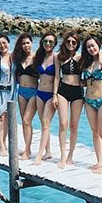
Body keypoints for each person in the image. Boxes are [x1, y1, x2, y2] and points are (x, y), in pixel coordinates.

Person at [80, 35, 102, 174]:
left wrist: (99, 52)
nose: (91, 48)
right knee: (95, 132)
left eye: (93, 45)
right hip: (89, 100)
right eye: (88, 46)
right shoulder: (86, 63)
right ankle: (99, 161)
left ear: (98, 45)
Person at [55, 31, 83, 168]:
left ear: (77, 44)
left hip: (77, 92)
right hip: (63, 91)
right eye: (68, 41)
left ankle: (71, 155)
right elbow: (56, 76)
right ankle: (62, 156)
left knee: (74, 126)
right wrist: (54, 94)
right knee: (63, 123)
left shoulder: (82, 57)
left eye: (74, 42)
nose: (71, 44)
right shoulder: (59, 57)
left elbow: (94, 68)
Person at [32, 31, 58, 165]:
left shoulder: (56, 57)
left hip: (50, 95)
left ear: (55, 44)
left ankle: (39, 155)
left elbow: (57, 77)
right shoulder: (39, 57)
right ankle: (48, 152)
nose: (48, 44)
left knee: (46, 123)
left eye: (51, 42)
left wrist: (55, 95)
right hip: (39, 93)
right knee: (43, 124)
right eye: (45, 41)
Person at [12, 32, 38, 159]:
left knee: (27, 120)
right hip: (21, 91)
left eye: (28, 43)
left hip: (34, 92)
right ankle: (27, 148)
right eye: (23, 43)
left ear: (32, 43)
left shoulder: (36, 58)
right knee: (24, 121)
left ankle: (27, 150)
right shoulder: (18, 58)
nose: (26, 45)